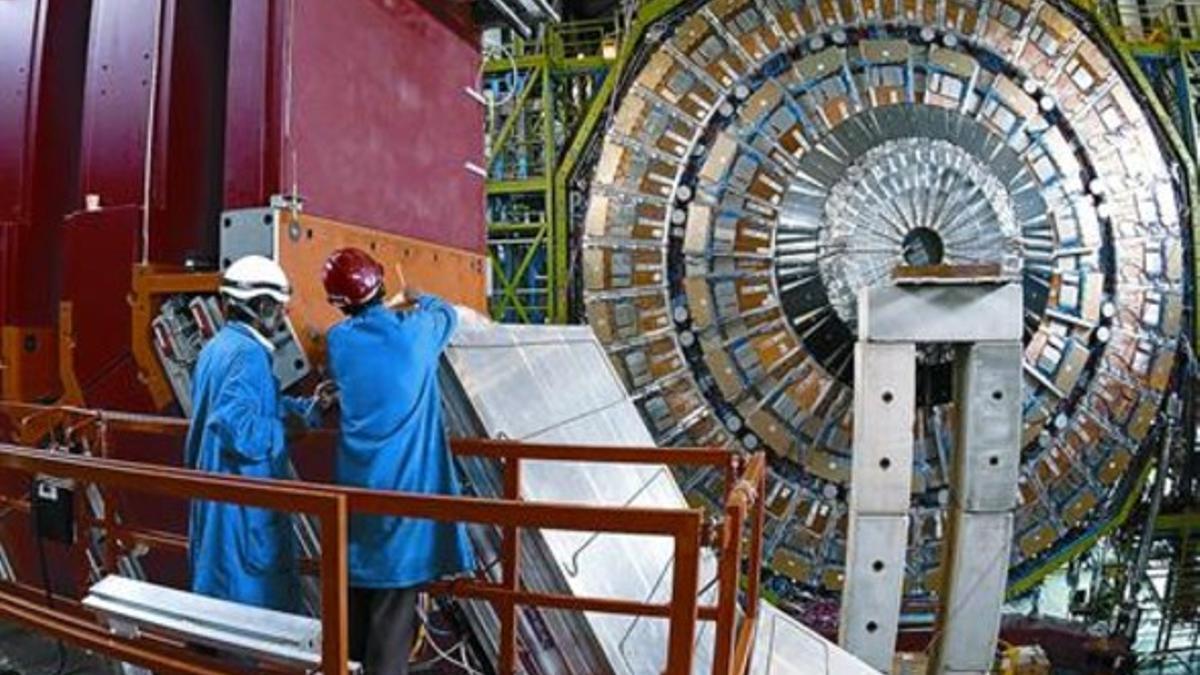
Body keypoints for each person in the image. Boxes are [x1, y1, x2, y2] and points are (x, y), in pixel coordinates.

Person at [322, 247, 474, 675]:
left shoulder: (339, 342)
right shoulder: (415, 334)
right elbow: (448, 313)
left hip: (354, 496)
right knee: (392, 614)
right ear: (381, 283)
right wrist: (417, 296)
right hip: (403, 500)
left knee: (353, 608)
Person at [184, 255, 329, 613]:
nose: (282, 318)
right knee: (246, 620)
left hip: (217, 499)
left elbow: (259, 403)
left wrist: (310, 409)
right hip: (241, 513)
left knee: (217, 610)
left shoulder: (218, 348)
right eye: (278, 308)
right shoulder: (248, 355)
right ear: (260, 306)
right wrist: (287, 430)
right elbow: (240, 427)